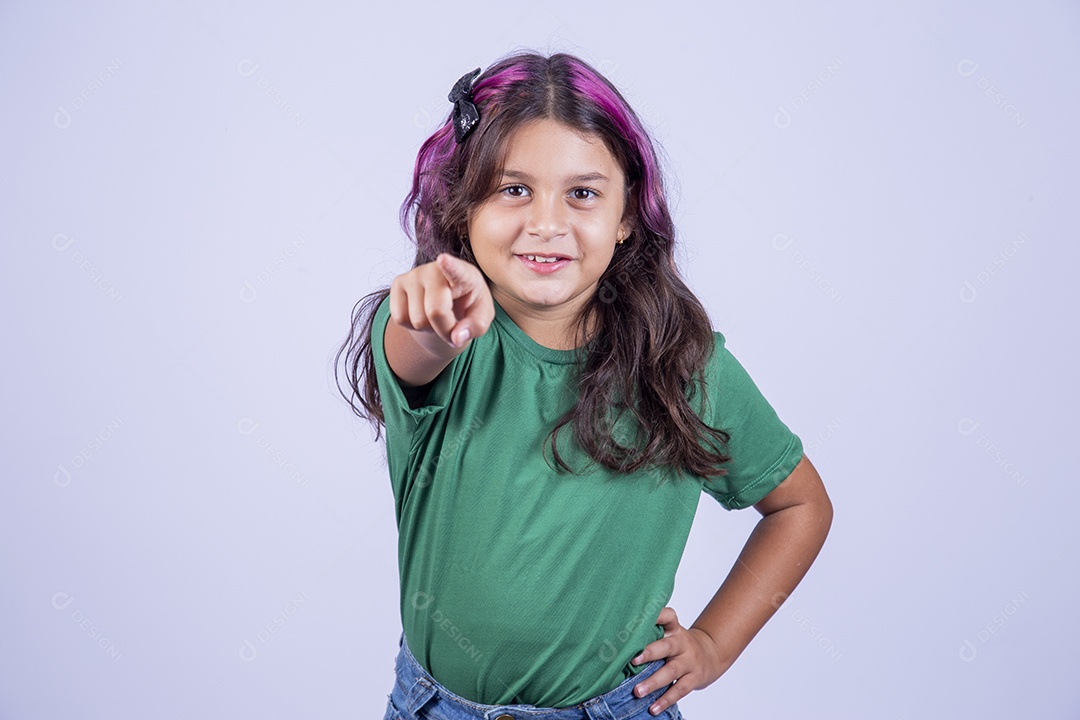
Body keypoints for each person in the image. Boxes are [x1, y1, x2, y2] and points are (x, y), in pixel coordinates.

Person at [335, 50, 833, 720]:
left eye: (583, 192)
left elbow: (800, 506)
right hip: (434, 706)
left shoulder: (684, 365)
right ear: (464, 210)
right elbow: (415, 347)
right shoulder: (443, 337)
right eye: (514, 190)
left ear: (628, 214)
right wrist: (431, 311)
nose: (547, 222)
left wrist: (712, 644)